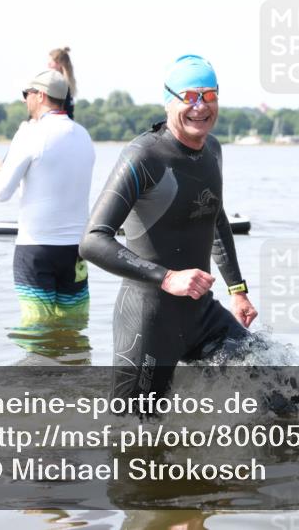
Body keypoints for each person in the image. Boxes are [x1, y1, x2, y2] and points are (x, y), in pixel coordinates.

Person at [80, 54, 258, 401]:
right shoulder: (144, 157)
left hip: (202, 315)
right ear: (168, 101)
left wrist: (237, 290)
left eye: (209, 95)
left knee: (284, 396)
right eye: (189, 96)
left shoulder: (213, 150)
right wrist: (167, 277)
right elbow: (92, 240)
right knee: (136, 437)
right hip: (149, 321)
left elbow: (215, 216)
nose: (200, 107)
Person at [0, 70, 95, 342]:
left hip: (36, 250)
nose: (25, 100)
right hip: (76, 251)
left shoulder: (30, 135)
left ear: (41, 95)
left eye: (27, 94)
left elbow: (1, 192)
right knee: (73, 330)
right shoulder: (83, 135)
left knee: (37, 334)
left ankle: (36, 385)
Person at [48, 47, 76, 119]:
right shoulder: (67, 84)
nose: (48, 64)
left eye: (51, 62)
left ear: (59, 64)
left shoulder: (60, 84)